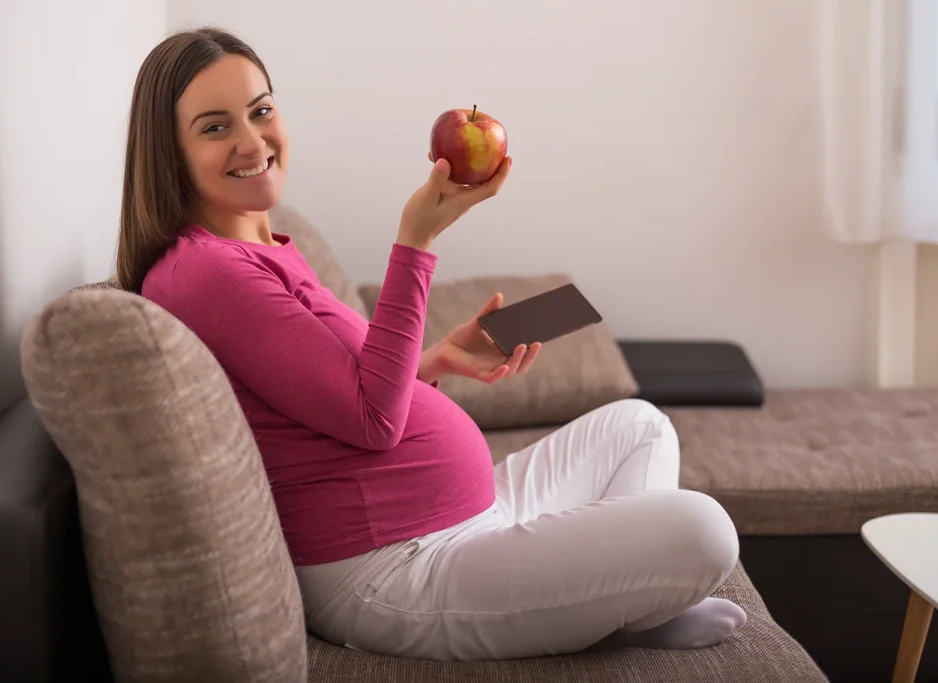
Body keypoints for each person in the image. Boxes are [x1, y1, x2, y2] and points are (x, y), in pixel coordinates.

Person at [118, 26, 747, 662]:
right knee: (704, 529)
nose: (253, 141)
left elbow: (334, 399)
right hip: (393, 572)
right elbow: (372, 420)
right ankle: (627, 605)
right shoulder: (209, 275)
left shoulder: (263, 249)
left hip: (464, 520)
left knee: (640, 427)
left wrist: (434, 362)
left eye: (261, 111)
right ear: (168, 151)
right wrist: (415, 241)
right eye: (215, 127)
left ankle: (623, 604)